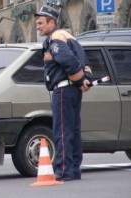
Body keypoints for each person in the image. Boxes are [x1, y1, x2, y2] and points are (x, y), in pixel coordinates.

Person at [35, 4, 92, 181]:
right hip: (73, 90)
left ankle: (64, 171)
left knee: (62, 132)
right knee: (73, 131)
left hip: (63, 90)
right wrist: (85, 78)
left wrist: (79, 79)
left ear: (52, 22)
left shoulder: (56, 38)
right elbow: (84, 61)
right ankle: (74, 170)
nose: (38, 27)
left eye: (41, 23)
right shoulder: (69, 36)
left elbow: (67, 60)